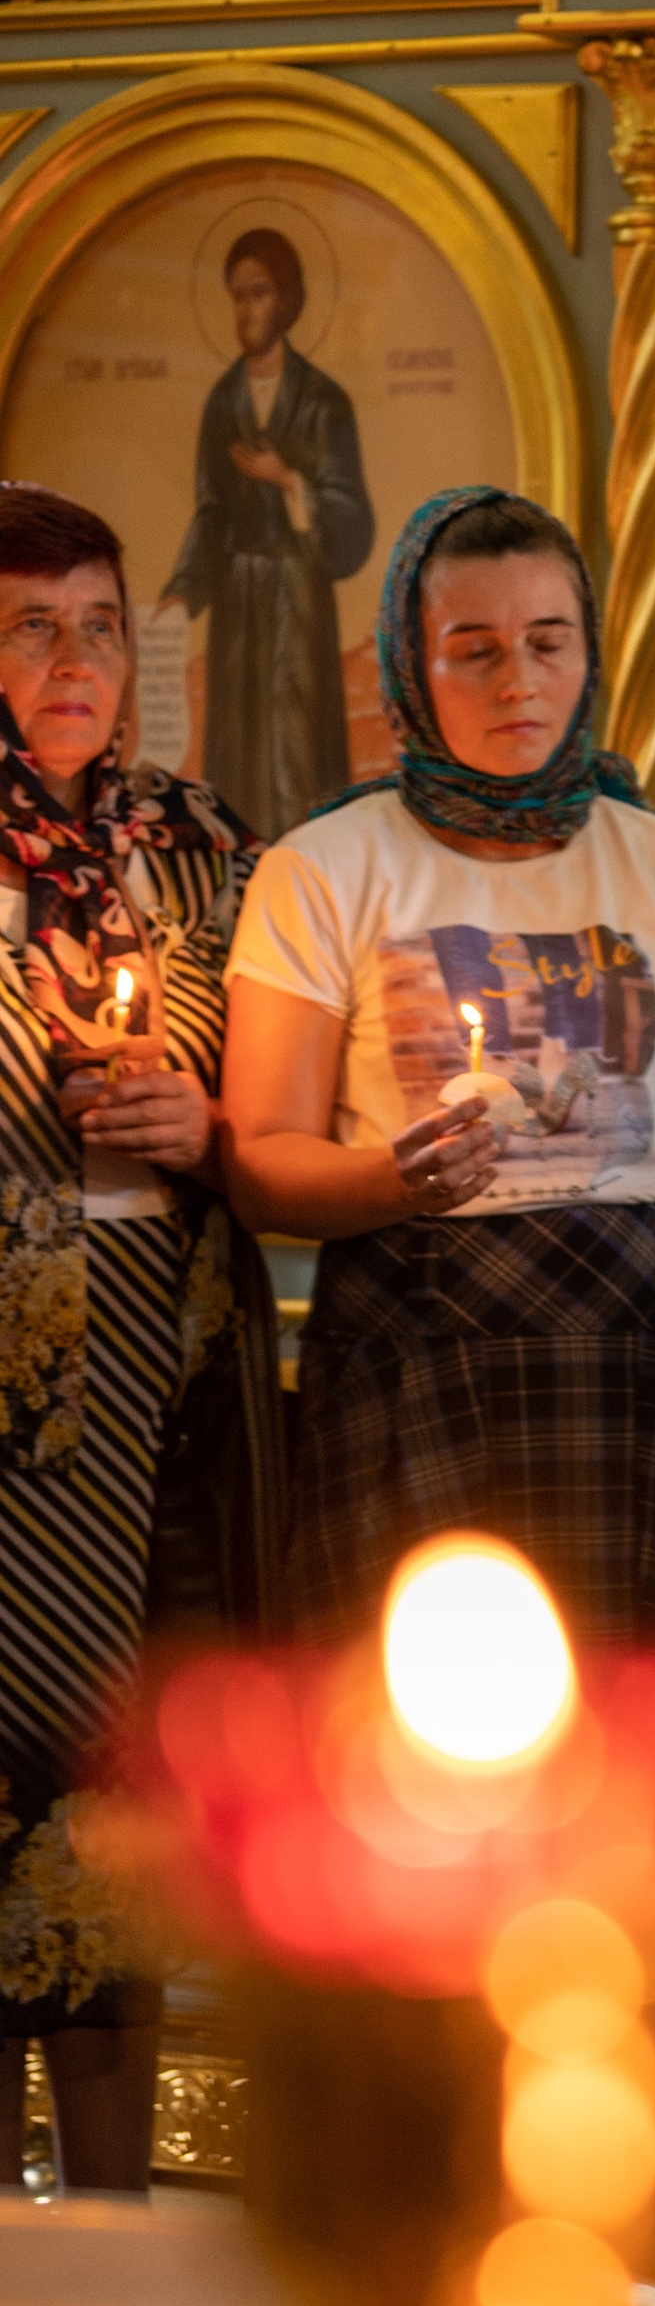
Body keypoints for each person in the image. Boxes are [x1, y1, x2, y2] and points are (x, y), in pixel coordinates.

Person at [219, 486, 655, 1648]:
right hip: (413, 1343)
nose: (517, 681)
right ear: (409, 670)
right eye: (471, 651)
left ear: (588, 651)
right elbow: (259, 1162)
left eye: (547, 642)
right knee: (405, 1756)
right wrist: (394, 1180)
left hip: (637, 1349)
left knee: (639, 1765)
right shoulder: (324, 868)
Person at [0, 483, 283, 2193]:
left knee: (123, 1811)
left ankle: (105, 2243)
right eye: (31, 625)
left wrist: (207, 1125)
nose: (75, 657)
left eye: (101, 622)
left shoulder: (205, 844)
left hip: (155, 1403)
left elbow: (288, 1089)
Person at [168, 226, 374, 846]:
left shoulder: (323, 401)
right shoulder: (221, 402)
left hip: (298, 600)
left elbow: (351, 517)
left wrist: (289, 482)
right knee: (238, 754)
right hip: (237, 604)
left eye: (258, 294)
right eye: (237, 297)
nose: (247, 311)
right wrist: (183, 593)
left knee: (295, 746)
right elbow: (210, 512)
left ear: (285, 301)